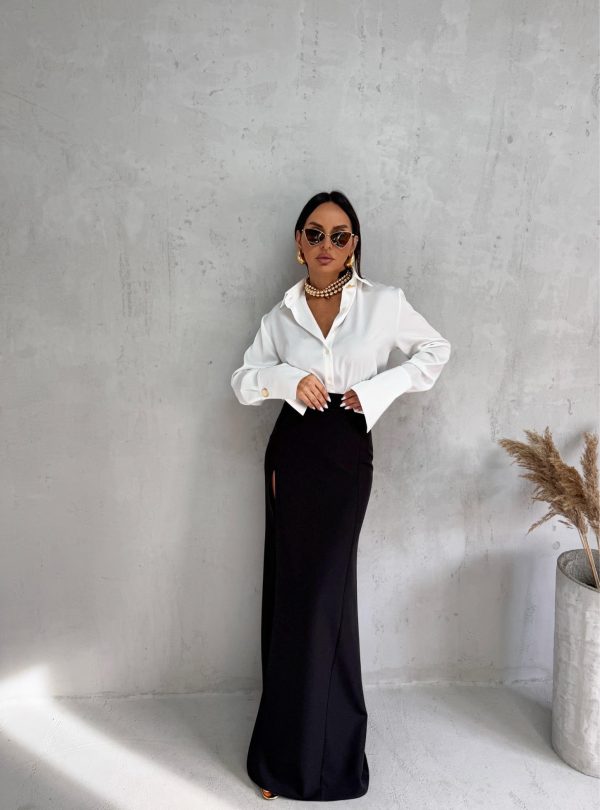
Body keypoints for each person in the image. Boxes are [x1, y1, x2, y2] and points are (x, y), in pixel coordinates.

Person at [230, 190, 451, 801]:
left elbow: (436, 351)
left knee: (327, 597)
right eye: (315, 233)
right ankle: (282, 757)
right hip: (292, 451)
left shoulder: (384, 303)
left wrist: (377, 390)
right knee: (292, 596)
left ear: (354, 246)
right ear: (298, 245)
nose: (326, 244)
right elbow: (243, 381)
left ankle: (330, 758)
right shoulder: (280, 316)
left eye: (340, 235)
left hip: (346, 451)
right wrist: (285, 379)